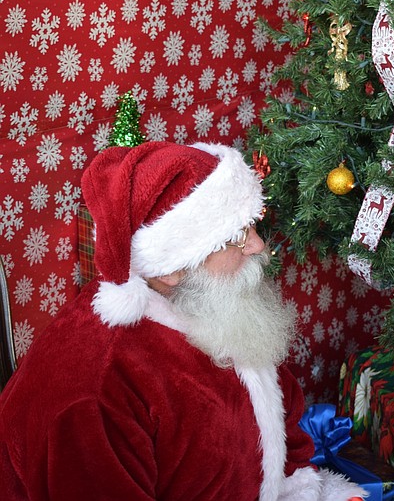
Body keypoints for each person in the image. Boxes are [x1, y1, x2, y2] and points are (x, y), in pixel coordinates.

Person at [0, 141, 366, 501]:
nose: (257, 246)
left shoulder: (213, 306)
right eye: (236, 237)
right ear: (172, 267)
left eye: (252, 226)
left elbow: (284, 435)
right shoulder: (97, 386)